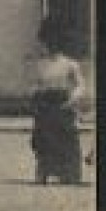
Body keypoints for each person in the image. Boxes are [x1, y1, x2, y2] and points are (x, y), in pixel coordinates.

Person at [31, 20, 86, 185]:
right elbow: (36, 85)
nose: (50, 45)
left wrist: (72, 99)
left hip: (63, 106)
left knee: (66, 140)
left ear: (61, 42)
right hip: (45, 107)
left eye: (54, 41)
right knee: (44, 140)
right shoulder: (41, 64)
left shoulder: (70, 64)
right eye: (47, 41)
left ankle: (69, 174)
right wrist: (35, 97)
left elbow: (80, 85)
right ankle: (44, 171)